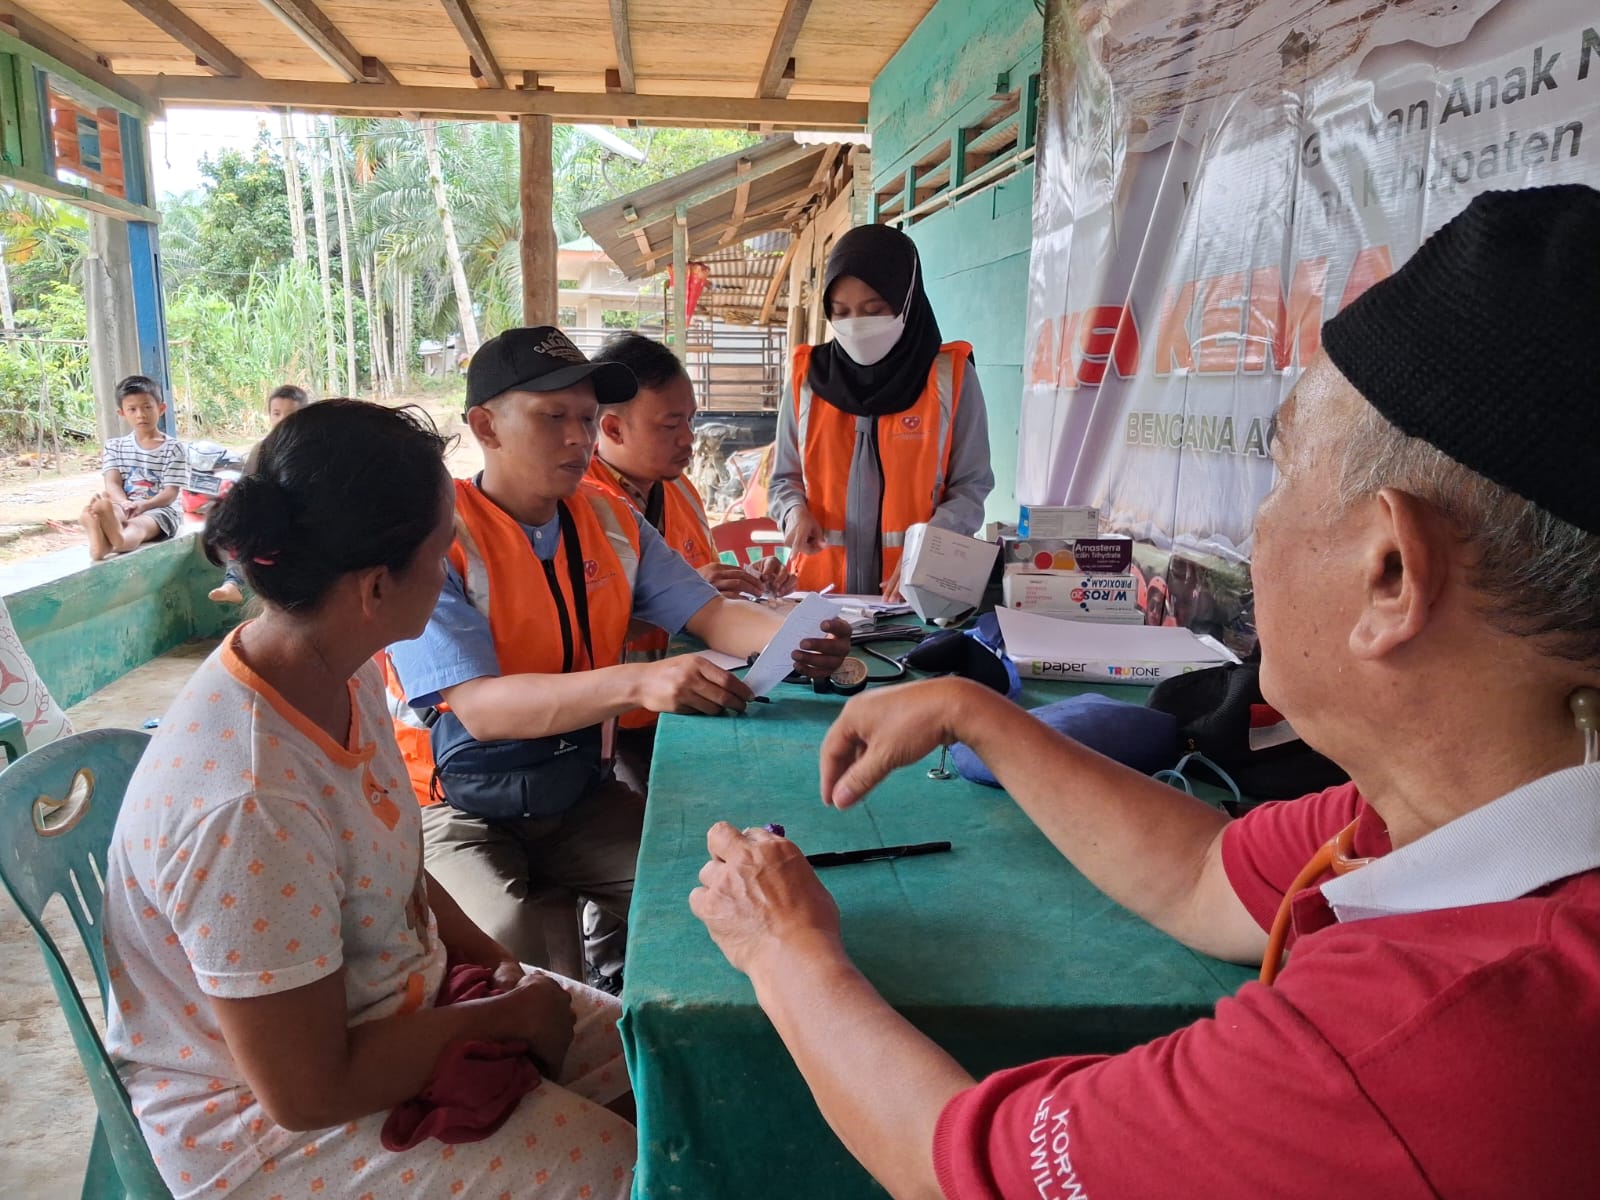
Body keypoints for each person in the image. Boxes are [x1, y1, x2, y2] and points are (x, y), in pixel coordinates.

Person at [690, 184, 1600, 1197]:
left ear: (1389, 572)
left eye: (1281, 471)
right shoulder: (1448, 804)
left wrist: (783, 951)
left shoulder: (1413, 1046)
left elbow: (959, 1170)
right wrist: (972, 713)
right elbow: (1207, 877)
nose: (1254, 531)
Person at [103, 399, 636, 1200]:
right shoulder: (250, 800)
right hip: (270, 1130)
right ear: (376, 585)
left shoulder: (340, 669)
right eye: (444, 548)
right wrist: (503, 1019)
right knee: (627, 1169)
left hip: (392, 1009)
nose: (453, 563)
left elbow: (399, 873)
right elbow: (307, 1091)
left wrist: (500, 975)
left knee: (659, 1061)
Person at [385, 326, 850, 993]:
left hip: (576, 787)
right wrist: (641, 681)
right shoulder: (439, 535)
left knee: (713, 896)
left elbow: (713, 614)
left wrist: (794, 638)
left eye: (587, 419)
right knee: (512, 943)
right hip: (455, 804)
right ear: (485, 425)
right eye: (554, 418)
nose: (579, 438)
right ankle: (580, 1072)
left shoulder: (611, 519)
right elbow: (481, 709)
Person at [767, 224, 994, 597]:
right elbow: (783, 479)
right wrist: (794, 511)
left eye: (874, 310)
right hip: (817, 600)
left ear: (906, 300)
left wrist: (927, 556)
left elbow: (972, 485)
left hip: (915, 598)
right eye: (841, 312)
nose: (856, 325)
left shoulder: (950, 378)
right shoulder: (806, 378)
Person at [588, 331, 790, 602]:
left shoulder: (682, 490)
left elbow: (708, 581)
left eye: (691, 420)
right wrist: (686, 592)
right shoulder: (577, 502)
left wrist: (748, 579)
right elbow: (581, 624)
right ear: (614, 430)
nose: (688, 437)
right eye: (670, 425)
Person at [210, 383, 311, 605]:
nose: (282, 420)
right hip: (267, 519)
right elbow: (248, 489)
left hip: (297, 521)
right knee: (242, 532)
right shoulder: (261, 450)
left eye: (290, 414)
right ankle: (232, 582)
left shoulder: (309, 451)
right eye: (277, 413)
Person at [81, 374, 186, 562]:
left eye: (147, 407)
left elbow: (170, 492)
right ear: (122, 413)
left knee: (138, 526)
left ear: (161, 408)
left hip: (161, 510)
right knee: (113, 511)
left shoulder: (174, 448)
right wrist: (124, 503)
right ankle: (101, 531)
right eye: (132, 409)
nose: (141, 414)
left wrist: (144, 505)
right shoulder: (114, 446)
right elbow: (112, 483)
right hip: (125, 504)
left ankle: (115, 541)